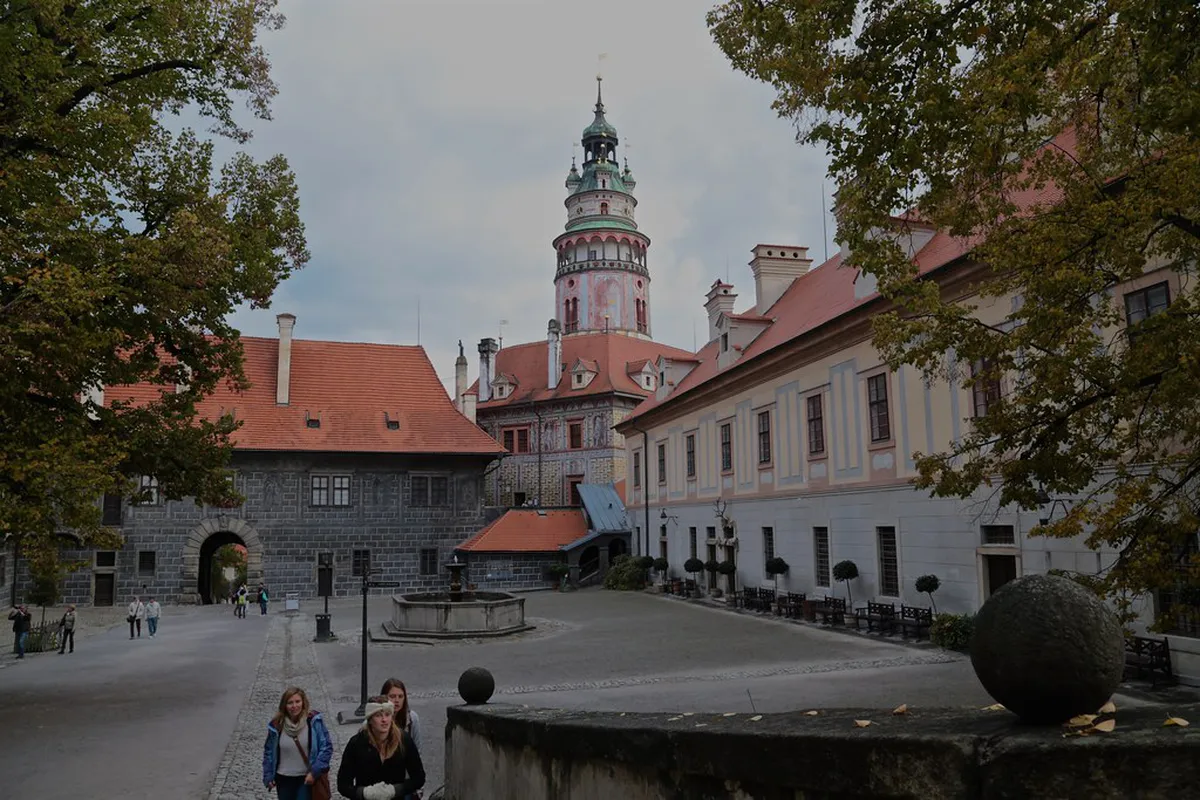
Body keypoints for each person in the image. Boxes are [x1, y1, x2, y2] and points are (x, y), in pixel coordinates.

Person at [336, 697, 424, 800]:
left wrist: (395, 790)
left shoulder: (404, 741)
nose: (384, 720)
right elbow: (343, 785)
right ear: (370, 720)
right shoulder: (356, 744)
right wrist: (365, 793)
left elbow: (419, 778)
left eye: (387, 715)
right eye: (378, 715)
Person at [262, 686, 333, 800]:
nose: (294, 706)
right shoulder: (277, 725)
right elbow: (269, 752)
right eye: (290, 703)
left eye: (297, 701)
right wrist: (268, 776)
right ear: (284, 705)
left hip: (306, 778)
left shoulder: (313, 722)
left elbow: (326, 748)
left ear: (303, 702)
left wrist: (315, 771)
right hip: (283, 778)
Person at [380, 678, 421, 753]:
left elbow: (417, 749)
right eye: (392, 696)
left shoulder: (412, 718)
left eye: (400, 696)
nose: (397, 700)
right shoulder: (375, 720)